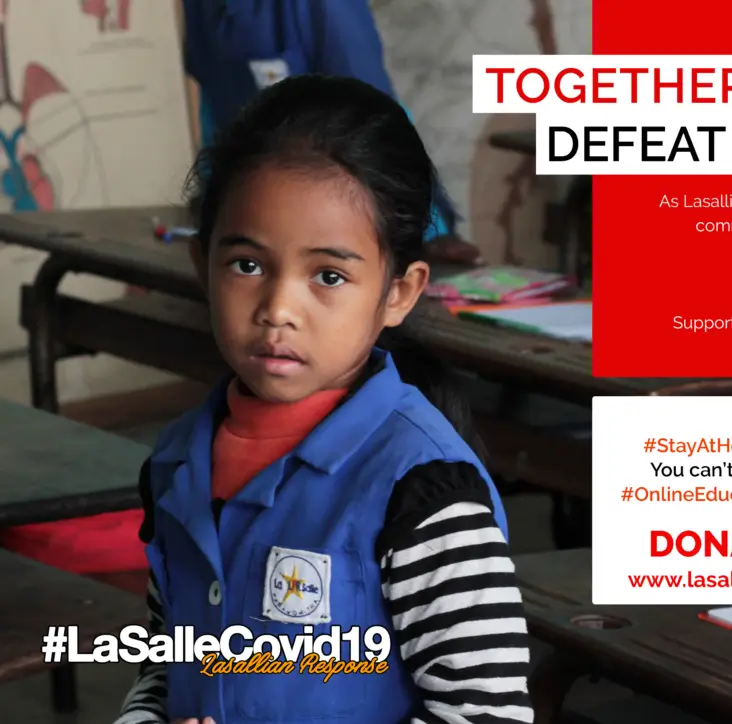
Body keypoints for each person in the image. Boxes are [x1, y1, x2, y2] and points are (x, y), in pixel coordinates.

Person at [113, 75, 532, 724]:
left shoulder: (425, 492)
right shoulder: (176, 465)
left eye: (329, 276)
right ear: (203, 265)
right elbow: (167, 670)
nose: (278, 309)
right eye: (247, 265)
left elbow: (488, 715)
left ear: (398, 291)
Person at [180, 0, 482, 265]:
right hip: (260, 212)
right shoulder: (202, 6)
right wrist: (213, 201)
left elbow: (377, 115)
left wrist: (428, 230)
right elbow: (214, 104)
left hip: (341, 211)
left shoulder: (328, 7)